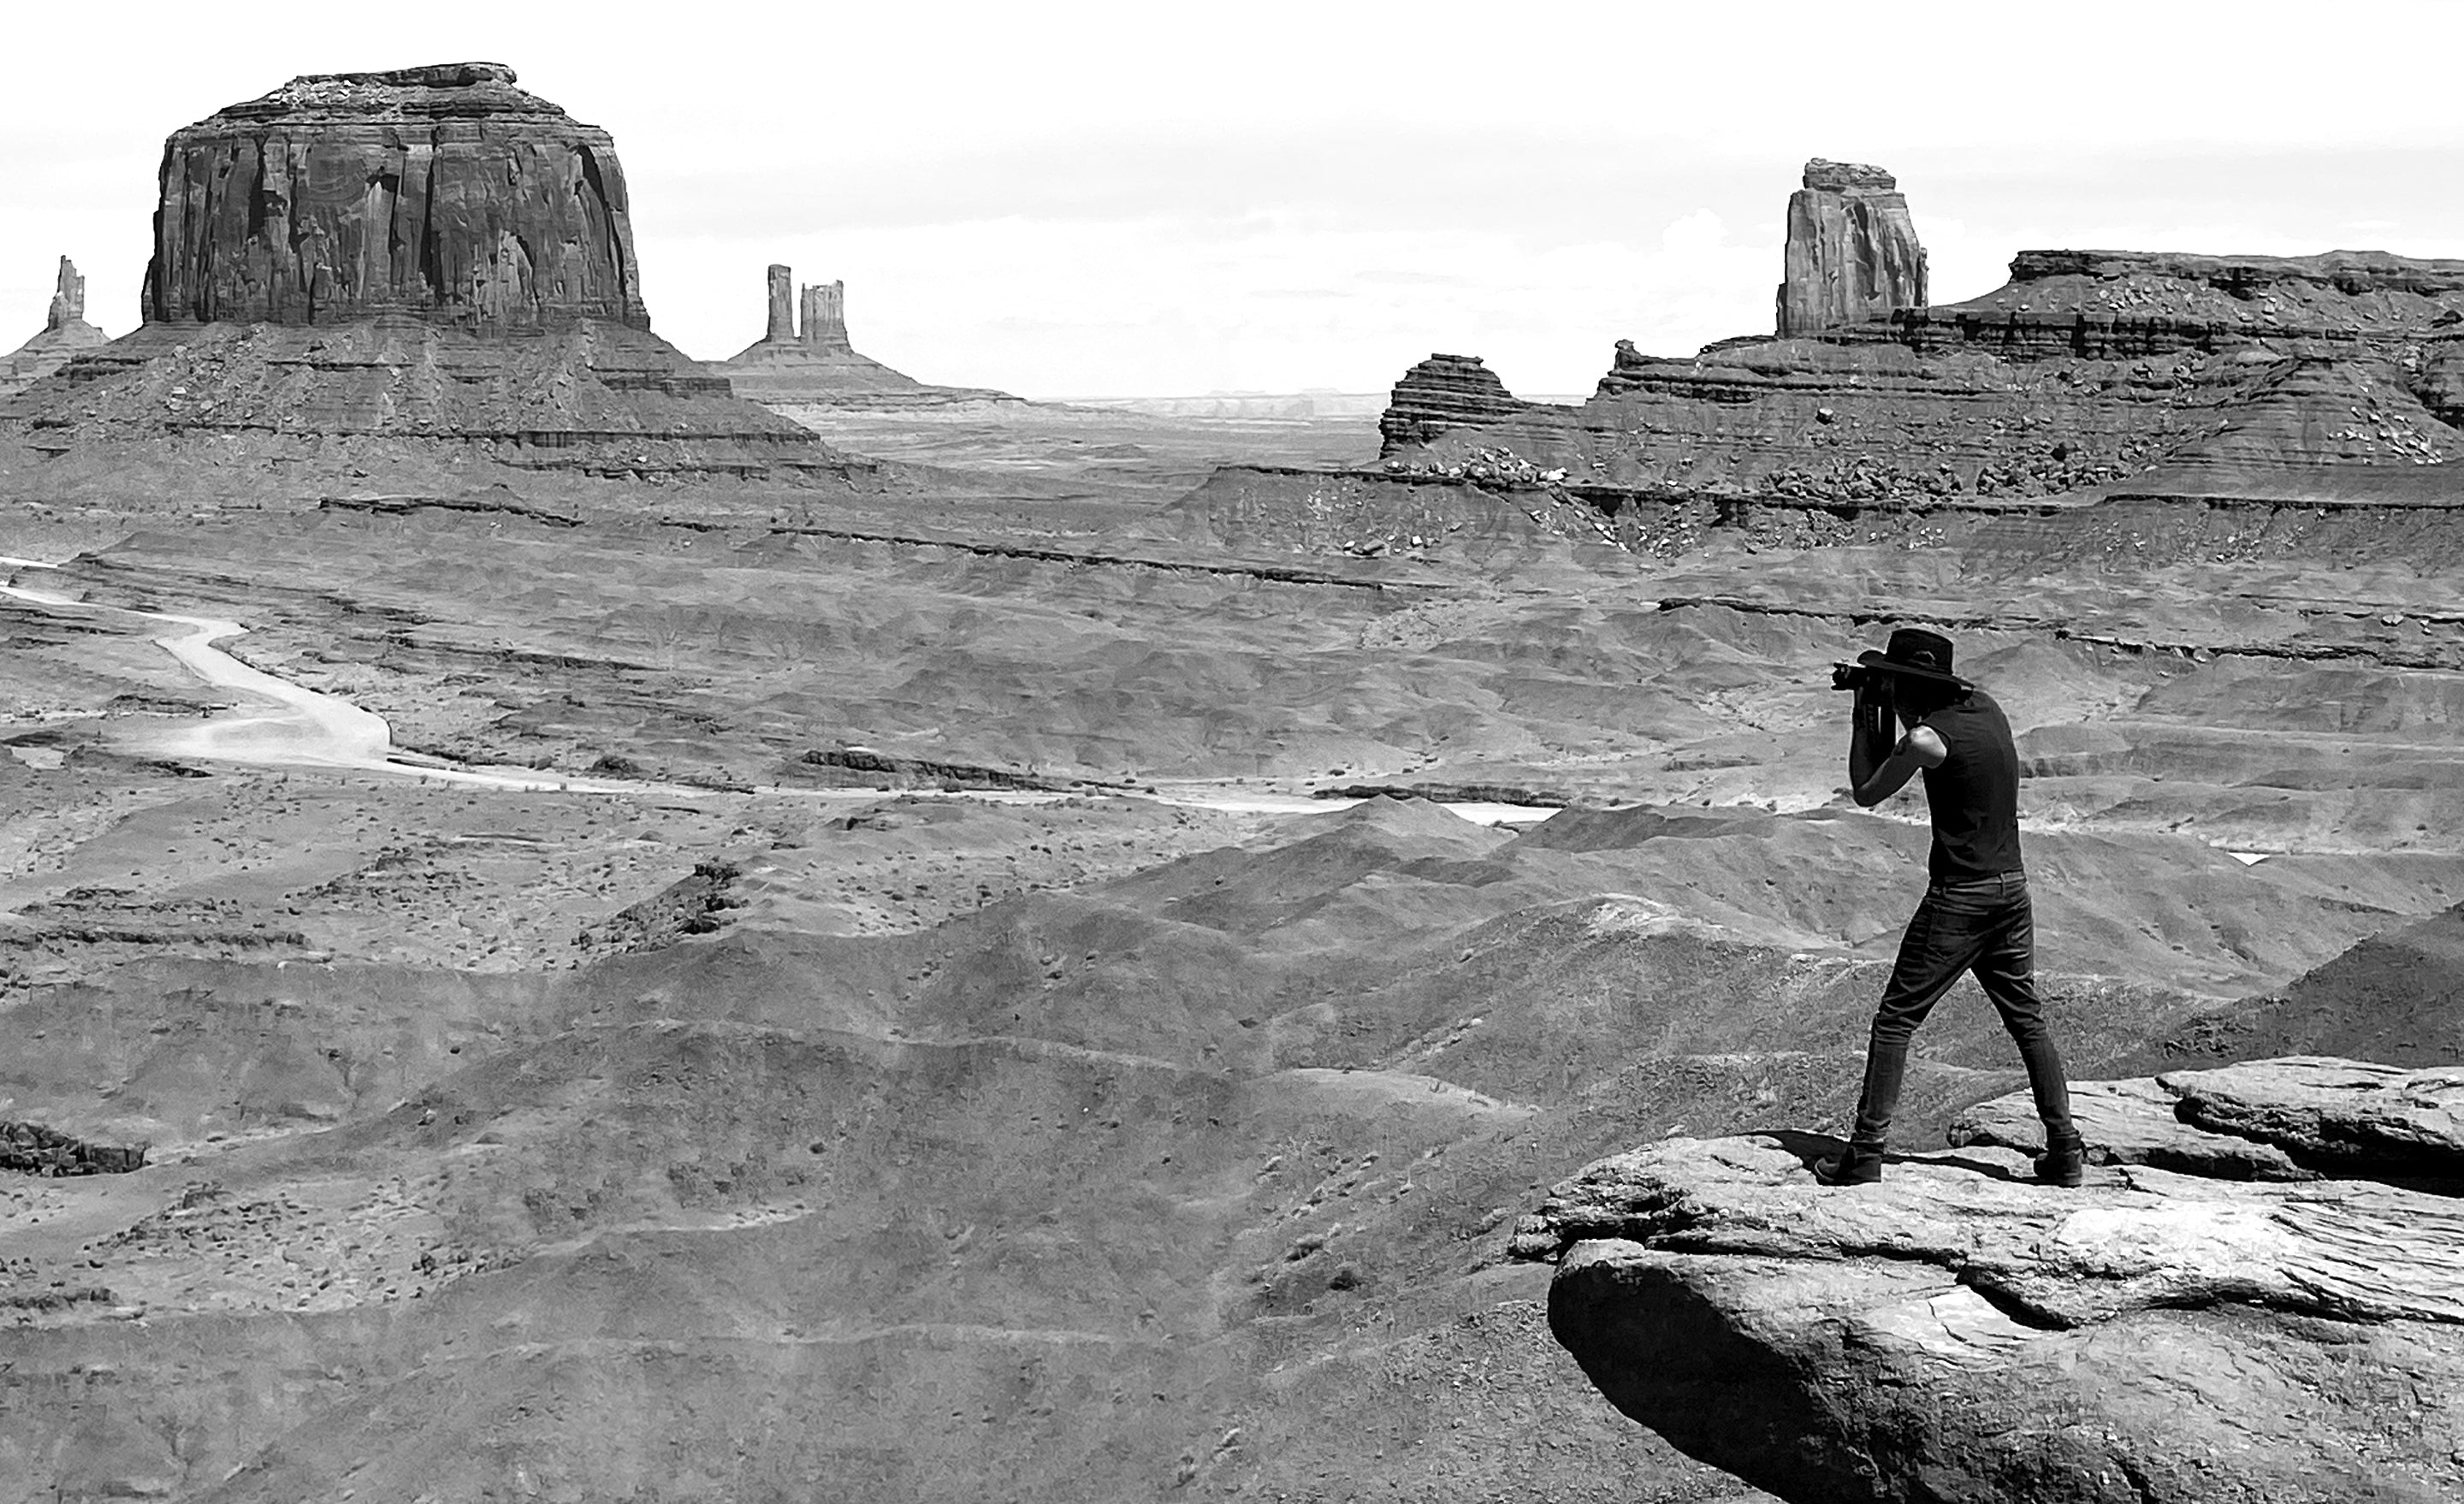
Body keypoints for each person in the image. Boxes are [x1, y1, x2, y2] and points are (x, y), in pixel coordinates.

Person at [1813, 627, 2086, 1187]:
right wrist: (1879, 691)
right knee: (2027, 1020)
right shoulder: (1988, 709)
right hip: (2012, 890)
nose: (1886, 689)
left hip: (1960, 898)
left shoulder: (1926, 740)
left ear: (1908, 685)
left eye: (1891, 681)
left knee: (1895, 1020)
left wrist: (1866, 711)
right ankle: (2066, 1149)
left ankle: (1865, 1154)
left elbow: (1866, 790)